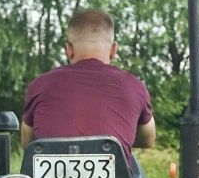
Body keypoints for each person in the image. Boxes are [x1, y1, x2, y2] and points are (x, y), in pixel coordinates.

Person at [20, 9, 156, 155]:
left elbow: (27, 142)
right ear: (113, 50)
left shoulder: (39, 85)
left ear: (69, 49)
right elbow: (148, 139)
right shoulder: (134, 87)